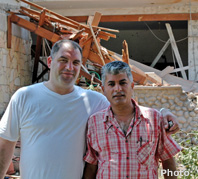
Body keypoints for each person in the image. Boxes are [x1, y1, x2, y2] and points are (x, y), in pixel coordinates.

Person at [0, 40, 178, 179]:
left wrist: (162, 112)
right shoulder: (24, 97)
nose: (70, 67)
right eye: (63, 60)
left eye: (76, 62)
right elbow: (5, 144)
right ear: (49, 61)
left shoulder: (94, 101)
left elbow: (127, 109)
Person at [83, 61, 181, 179]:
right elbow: (92, 165)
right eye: (111, 84)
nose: (118, 89)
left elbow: (168, 161)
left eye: (123, 83)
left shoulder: (154, 119)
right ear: (104, 89)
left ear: (132, 86)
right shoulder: (95, 122)